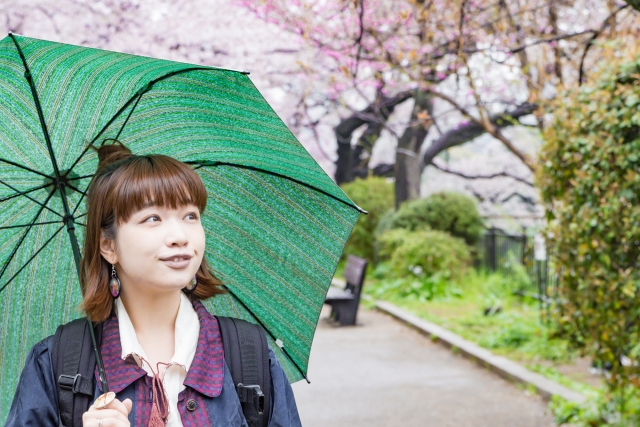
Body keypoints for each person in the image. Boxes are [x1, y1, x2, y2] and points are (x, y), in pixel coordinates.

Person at [6, 142, 302, 427]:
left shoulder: (247, 354)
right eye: (152, 218)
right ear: (108, 246)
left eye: (190, 215)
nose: (179, 236)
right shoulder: (58, 363)